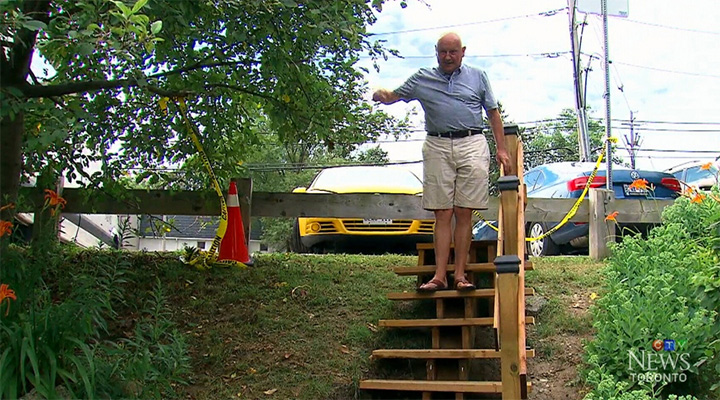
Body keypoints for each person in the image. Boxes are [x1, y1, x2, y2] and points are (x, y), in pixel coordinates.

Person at [373, 32, 511, 291]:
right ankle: (439, 276)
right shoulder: (422, 78)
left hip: (471, 142)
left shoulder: (478, 76)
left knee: (464, 210)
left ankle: (460, 275)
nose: (448, 57)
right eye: (443, 52)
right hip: (437, 144)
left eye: (453, 52)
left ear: (463, 52)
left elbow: (493, 113)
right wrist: (384, 95)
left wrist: (501, 149)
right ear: (436, 52)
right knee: (442, 212)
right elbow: (396, 95)